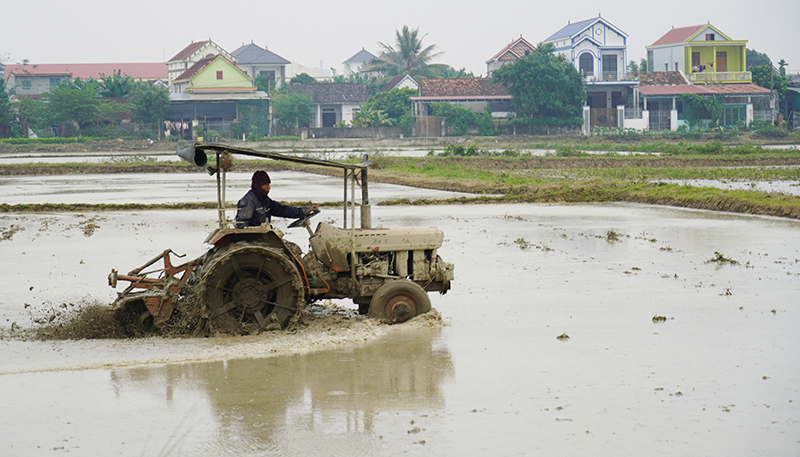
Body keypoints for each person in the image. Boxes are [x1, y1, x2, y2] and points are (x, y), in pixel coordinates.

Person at [236, 170, 319, 228]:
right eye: (266, 185)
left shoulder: (264, 200)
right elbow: (242, 225)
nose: (269, 188)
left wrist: (304, 210)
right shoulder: (249, 201)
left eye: (269, 184)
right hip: (257, 238)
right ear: (258, 185)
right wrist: (259, 230)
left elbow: (282, 210)